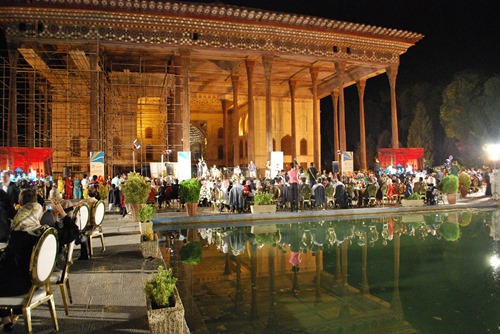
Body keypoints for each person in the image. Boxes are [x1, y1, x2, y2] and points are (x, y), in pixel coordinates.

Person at [0, 189, 46, 331]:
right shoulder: (42, 230)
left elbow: (13, 260)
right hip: (37, 281)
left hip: (23, 284)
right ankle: (9, 316)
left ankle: (6, 318)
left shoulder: (20, 234)